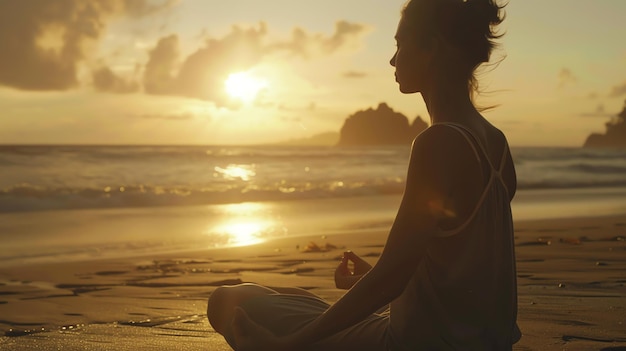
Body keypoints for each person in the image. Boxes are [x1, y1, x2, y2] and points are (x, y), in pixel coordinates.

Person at [207, 0, 521, 349]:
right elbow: (461, 275)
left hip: (409, 342)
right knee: (287, 295)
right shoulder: (497, 144)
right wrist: (373, 276)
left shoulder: (440, 141)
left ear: (431, 47)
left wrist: (291, 344)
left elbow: (395, 276)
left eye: (400, 44)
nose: (392, 59)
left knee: (226, 300)